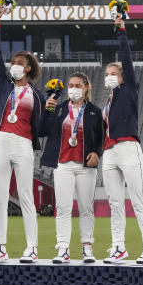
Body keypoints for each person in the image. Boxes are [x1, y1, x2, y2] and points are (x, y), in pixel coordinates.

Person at [0, 7, 44, 264]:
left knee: (26, 195)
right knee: (1, 195)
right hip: (1, 142)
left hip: (23, 144)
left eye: (18, 63)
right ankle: (1, 246)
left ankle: (32, 247)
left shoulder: (37, 94)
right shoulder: (4, 85)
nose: (13, 66)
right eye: (12, 63)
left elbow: (41, 125)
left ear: (28, 68)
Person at [101, 16, 143, 264]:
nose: (110, 76)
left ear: (123, 77)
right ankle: (118, 247)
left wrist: (121, 31)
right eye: (107, 74)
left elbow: (126, 59)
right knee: (114, 202)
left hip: (129, 147)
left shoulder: (130, 88)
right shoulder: (108, 101)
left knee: (137, 199)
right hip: (110, 152)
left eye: (114, 73)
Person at [39, 73, 104, 264]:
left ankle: (87, 247)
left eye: (77, 85)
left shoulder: (94, 111)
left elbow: (100, 138)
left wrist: (97, 153)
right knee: (63, 208)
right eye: (70, 85)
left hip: (86, 167)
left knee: (86, 208)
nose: (73, 88)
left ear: (85, 88)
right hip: (63, 165)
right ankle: (63, 248)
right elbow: (42, 131)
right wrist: (47, 111)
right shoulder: (58, 108)